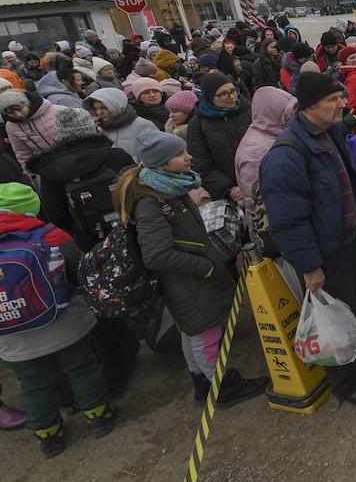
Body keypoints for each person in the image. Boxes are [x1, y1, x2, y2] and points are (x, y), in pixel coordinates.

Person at [259, 73, 356, 406]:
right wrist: (309, 266)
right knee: (335, 317)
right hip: (324, 251)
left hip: (347, 237)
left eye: (341, 97)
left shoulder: (328, 133)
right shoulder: (286, 155)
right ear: (309, 107)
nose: (343, 104)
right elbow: (288, 221)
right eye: (334, 100)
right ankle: (347, 383)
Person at [116, 132, 269, 408]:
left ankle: (201, 380)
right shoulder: (151, 202)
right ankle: (220, 386)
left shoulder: (169, 187)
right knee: (205, 333)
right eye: (180, 154)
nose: (188, 157)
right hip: (189, 283)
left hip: (192, 281)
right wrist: (206, 267)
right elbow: (157, 254)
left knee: (194, 331)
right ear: (162, 164)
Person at [0, 182, 118, 458]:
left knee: (33, 383)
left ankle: (48, 435)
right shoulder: (50, 234)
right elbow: (80, 270)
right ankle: (99, 415)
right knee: (82, 368)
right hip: (63, 321)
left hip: (12, 334)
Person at [26, 107, 133, 248]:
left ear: (59, 133)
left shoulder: (51, 169)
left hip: (88, 236)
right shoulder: (116, 155)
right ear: (91, 127)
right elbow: (138, 187)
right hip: (130, 225)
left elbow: (55, 212)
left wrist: (77, 227)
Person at [186, 73, 251, 204]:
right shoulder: (198, 124)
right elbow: (200, 164)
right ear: (210, 97)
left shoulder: (248, 110)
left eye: (233, 91)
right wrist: (230, 189)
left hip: (257, 183)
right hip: (229, 195)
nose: (232, 97)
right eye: (223, 94)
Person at [234, 86, 297, 212]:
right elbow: (257, 199)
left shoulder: (270, 131)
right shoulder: (255, 152)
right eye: (289, 111)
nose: (293, 115)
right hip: (271, 221)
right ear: (273, 112)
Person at [83, 88, 158, 163]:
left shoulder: (143, 125)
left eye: (104, 108)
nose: (99, 113)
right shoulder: (98, 128)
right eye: (96, 109)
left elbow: (156, 154)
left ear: (118, 105)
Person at [1, 91, 59, 171]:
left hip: (73, 156)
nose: (18, 115)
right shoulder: (11, 126)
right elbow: (22, 152)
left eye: (20, 109)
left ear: (27, 104)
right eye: (11, 113)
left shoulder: (55, 110)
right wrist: (29, 171)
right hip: (49, 166)